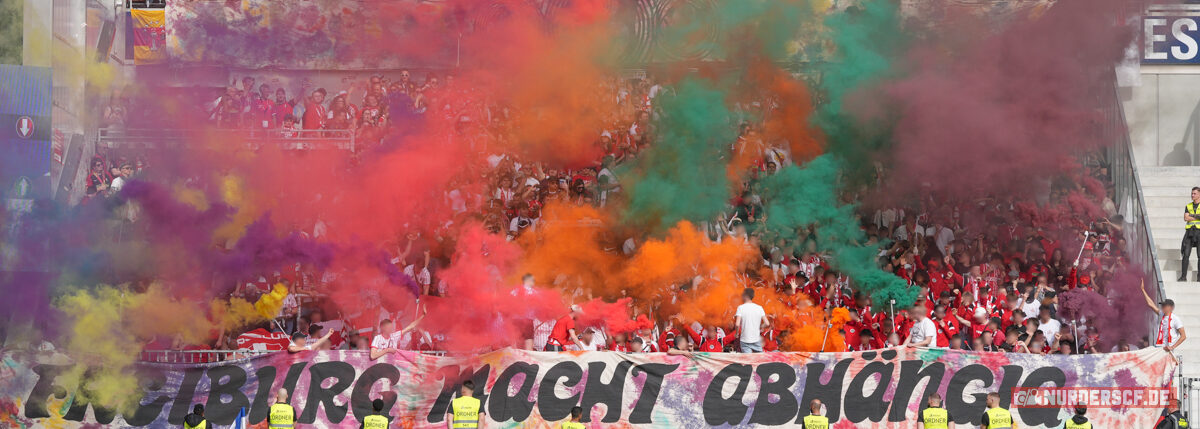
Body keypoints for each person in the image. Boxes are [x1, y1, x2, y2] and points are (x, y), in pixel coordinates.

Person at [1143, 282, 1187, 355]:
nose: (1162, 307)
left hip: (1167, 351)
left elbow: (1183, 336)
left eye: (1164, 305)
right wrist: (1143, 290)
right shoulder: (1161, 314)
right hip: (1159, 347)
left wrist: (1172, 347)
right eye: (1162, 305)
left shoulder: (1175, 319)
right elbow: (1150, 304)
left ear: (1170, 307)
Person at [735, 287, 768, 353]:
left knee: (748, 360)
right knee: (759, 360)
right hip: (756, 339)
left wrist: (736, 333)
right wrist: (761, 327)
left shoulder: (740, 308)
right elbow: (767, 323)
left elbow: (737, 324)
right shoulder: (759, 308)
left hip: (744, 340)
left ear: (745, 296)